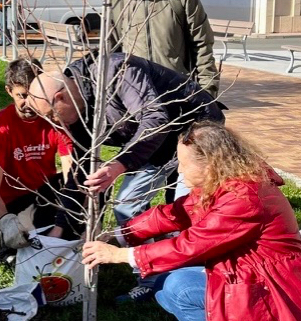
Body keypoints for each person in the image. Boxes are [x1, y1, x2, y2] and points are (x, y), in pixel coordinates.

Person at [82, 121, 301, 321]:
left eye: (184, 164)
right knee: (165, 287)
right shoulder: (230, 184)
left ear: (210, 163)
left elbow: (190, 246)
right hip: (260, 278)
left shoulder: (243, 199)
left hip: (277, 294)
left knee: (177, 289)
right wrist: (123, 233)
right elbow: (176, 213)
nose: (179, 169)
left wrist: (121, 255)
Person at [28, 53, 225, 250]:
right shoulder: (77, 111)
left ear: (60, 97)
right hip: (155, 145)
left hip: (193, 129)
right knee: (127, 207)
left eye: (51, 115)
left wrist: (120, 165)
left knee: (187, 209)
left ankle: (192, 270)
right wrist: (61, 226)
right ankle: (149, 273)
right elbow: (82, 163)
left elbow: (155, 119)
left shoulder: (116, 71)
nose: (54, 122)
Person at [0, 57, 73, 264]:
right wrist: (5, 221)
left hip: (46, 194)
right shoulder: (0, 127)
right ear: (9, 91)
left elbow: (71, 171)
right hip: (15, 200)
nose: (28, 104)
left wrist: (72, 209)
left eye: (33, 95)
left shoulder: (53, 119)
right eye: (21, 96)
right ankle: (7, 237)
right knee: (20, 254)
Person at [111, 0, 219, 98]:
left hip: (176, 94)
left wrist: (207, 95)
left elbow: (202, 46)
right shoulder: (117, 2)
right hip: (136, 99)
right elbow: (112, 54)